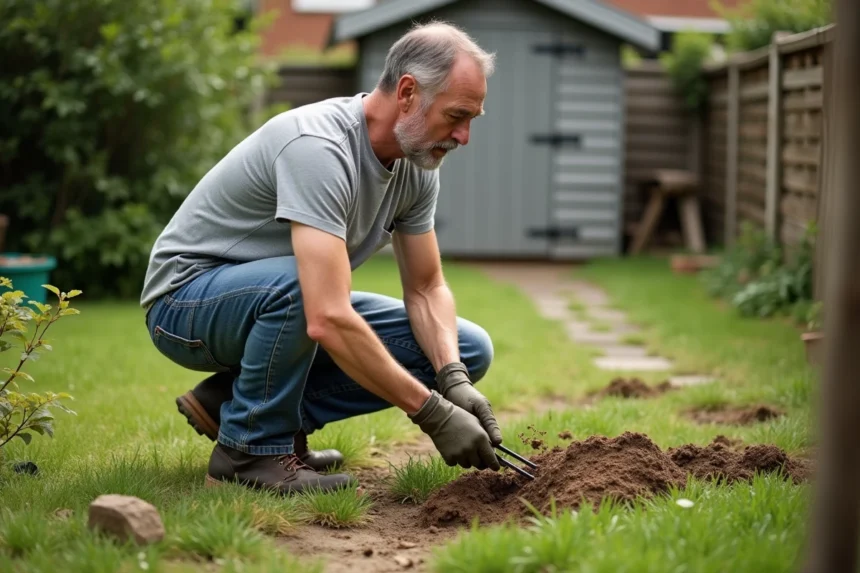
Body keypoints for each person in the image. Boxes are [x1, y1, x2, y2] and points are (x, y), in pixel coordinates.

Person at [140, 21, 504, 495]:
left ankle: (242, 406)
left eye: (472, 118)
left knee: (466, 345)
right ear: (409, 92)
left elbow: (426, 287)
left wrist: (451, 380)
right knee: (306, 291)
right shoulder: (319, 146)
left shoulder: (415, 167)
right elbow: (327, 316)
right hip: (184, 302)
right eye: (457, 115)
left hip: (273, 298)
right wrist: (432, 413)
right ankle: (249, 451)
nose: (464, 135)